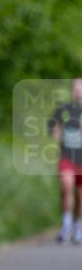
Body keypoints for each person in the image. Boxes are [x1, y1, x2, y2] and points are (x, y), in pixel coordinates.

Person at [48, 78, 82, 244]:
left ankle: (78, 226)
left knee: (80, 195)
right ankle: (66, 225)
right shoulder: (63, 109)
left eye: (80, 89)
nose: (78, 91)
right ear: (71, 90)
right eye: (75, 88)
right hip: (67, 156)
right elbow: (51, 126)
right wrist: (56, 131)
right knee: (66, 186)